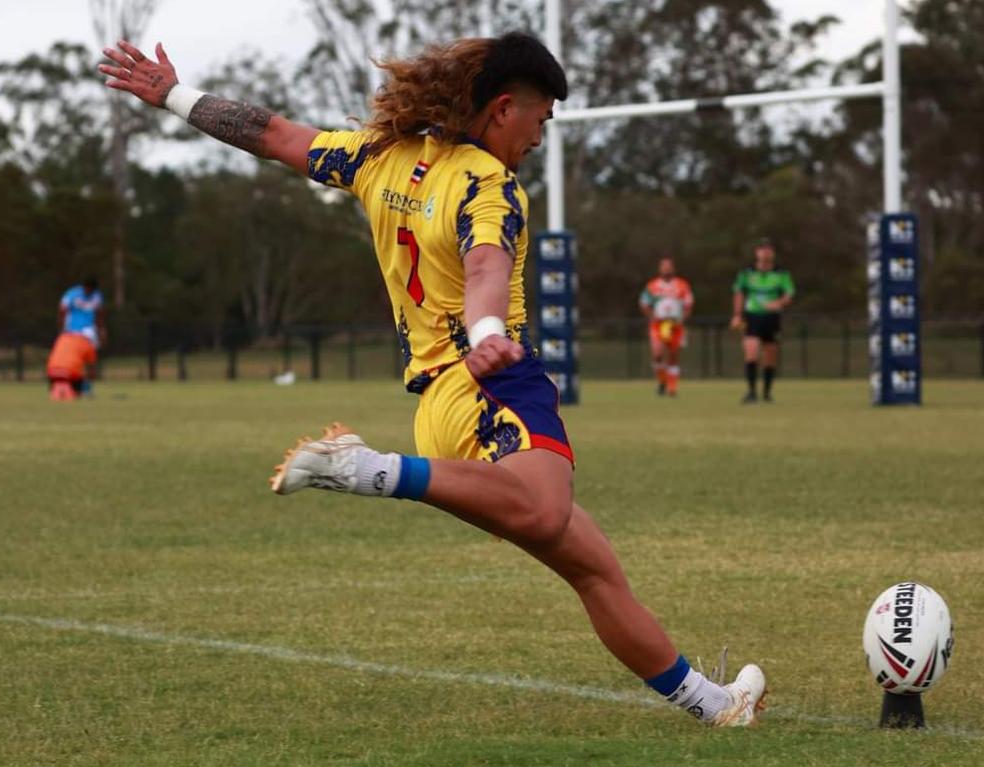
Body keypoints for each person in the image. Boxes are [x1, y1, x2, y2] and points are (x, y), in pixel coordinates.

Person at [101, 32, 765, 726]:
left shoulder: (377, 155)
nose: (541, 136)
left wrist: (172, 96)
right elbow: (485, 270)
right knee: (544, 511)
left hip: (438, 406)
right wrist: (485, 337)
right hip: (493, 385)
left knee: (592, 565)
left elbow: (269, 133)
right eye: (541, 119)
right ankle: (364, 468)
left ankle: (716, 704)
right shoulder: (488, 181)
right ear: (504, 108)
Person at [731, 240, 795, 404]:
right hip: (752, 316)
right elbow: (738, 293)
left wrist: (779, 303)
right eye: (762, 250)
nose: (765, 253)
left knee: (770, 355)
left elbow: (789, 294)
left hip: (771, 317)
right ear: (756, 253)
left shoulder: (781, 274)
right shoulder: (746, 274)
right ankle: (751, 392)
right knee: (751, 352)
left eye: (768, 250)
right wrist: (737, 315)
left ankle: (766, 393)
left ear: (772, 254)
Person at [639, 256, 693, 397]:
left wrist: (682, 319)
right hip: (659, 324)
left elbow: (688, 305)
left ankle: (672, 387)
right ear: (659, 268)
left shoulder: (682, 285)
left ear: (673, 268)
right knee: (657, 354)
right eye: (664, 266)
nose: (666, 268)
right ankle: (662, 381)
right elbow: (644, 303)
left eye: (669, 266)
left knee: (673, 356)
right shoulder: (652, 285)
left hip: (675, 324)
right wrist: (652, 317)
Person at [46, 331, 97, 401]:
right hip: (70, 374)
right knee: (79, 382)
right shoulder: (88, 344)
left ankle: (55, 392)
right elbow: (91, 368)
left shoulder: (62, 338)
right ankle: (75, 393)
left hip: (52, 372)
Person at [59, 275, 107, 349]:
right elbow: (62, 309)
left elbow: (99, 314)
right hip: (72, 328)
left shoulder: (97, 296)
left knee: (92, 350)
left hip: (89, 329)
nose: (88, 291)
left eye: (91, 289)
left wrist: (101, 329)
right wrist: (62, 327)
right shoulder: (73, 294)